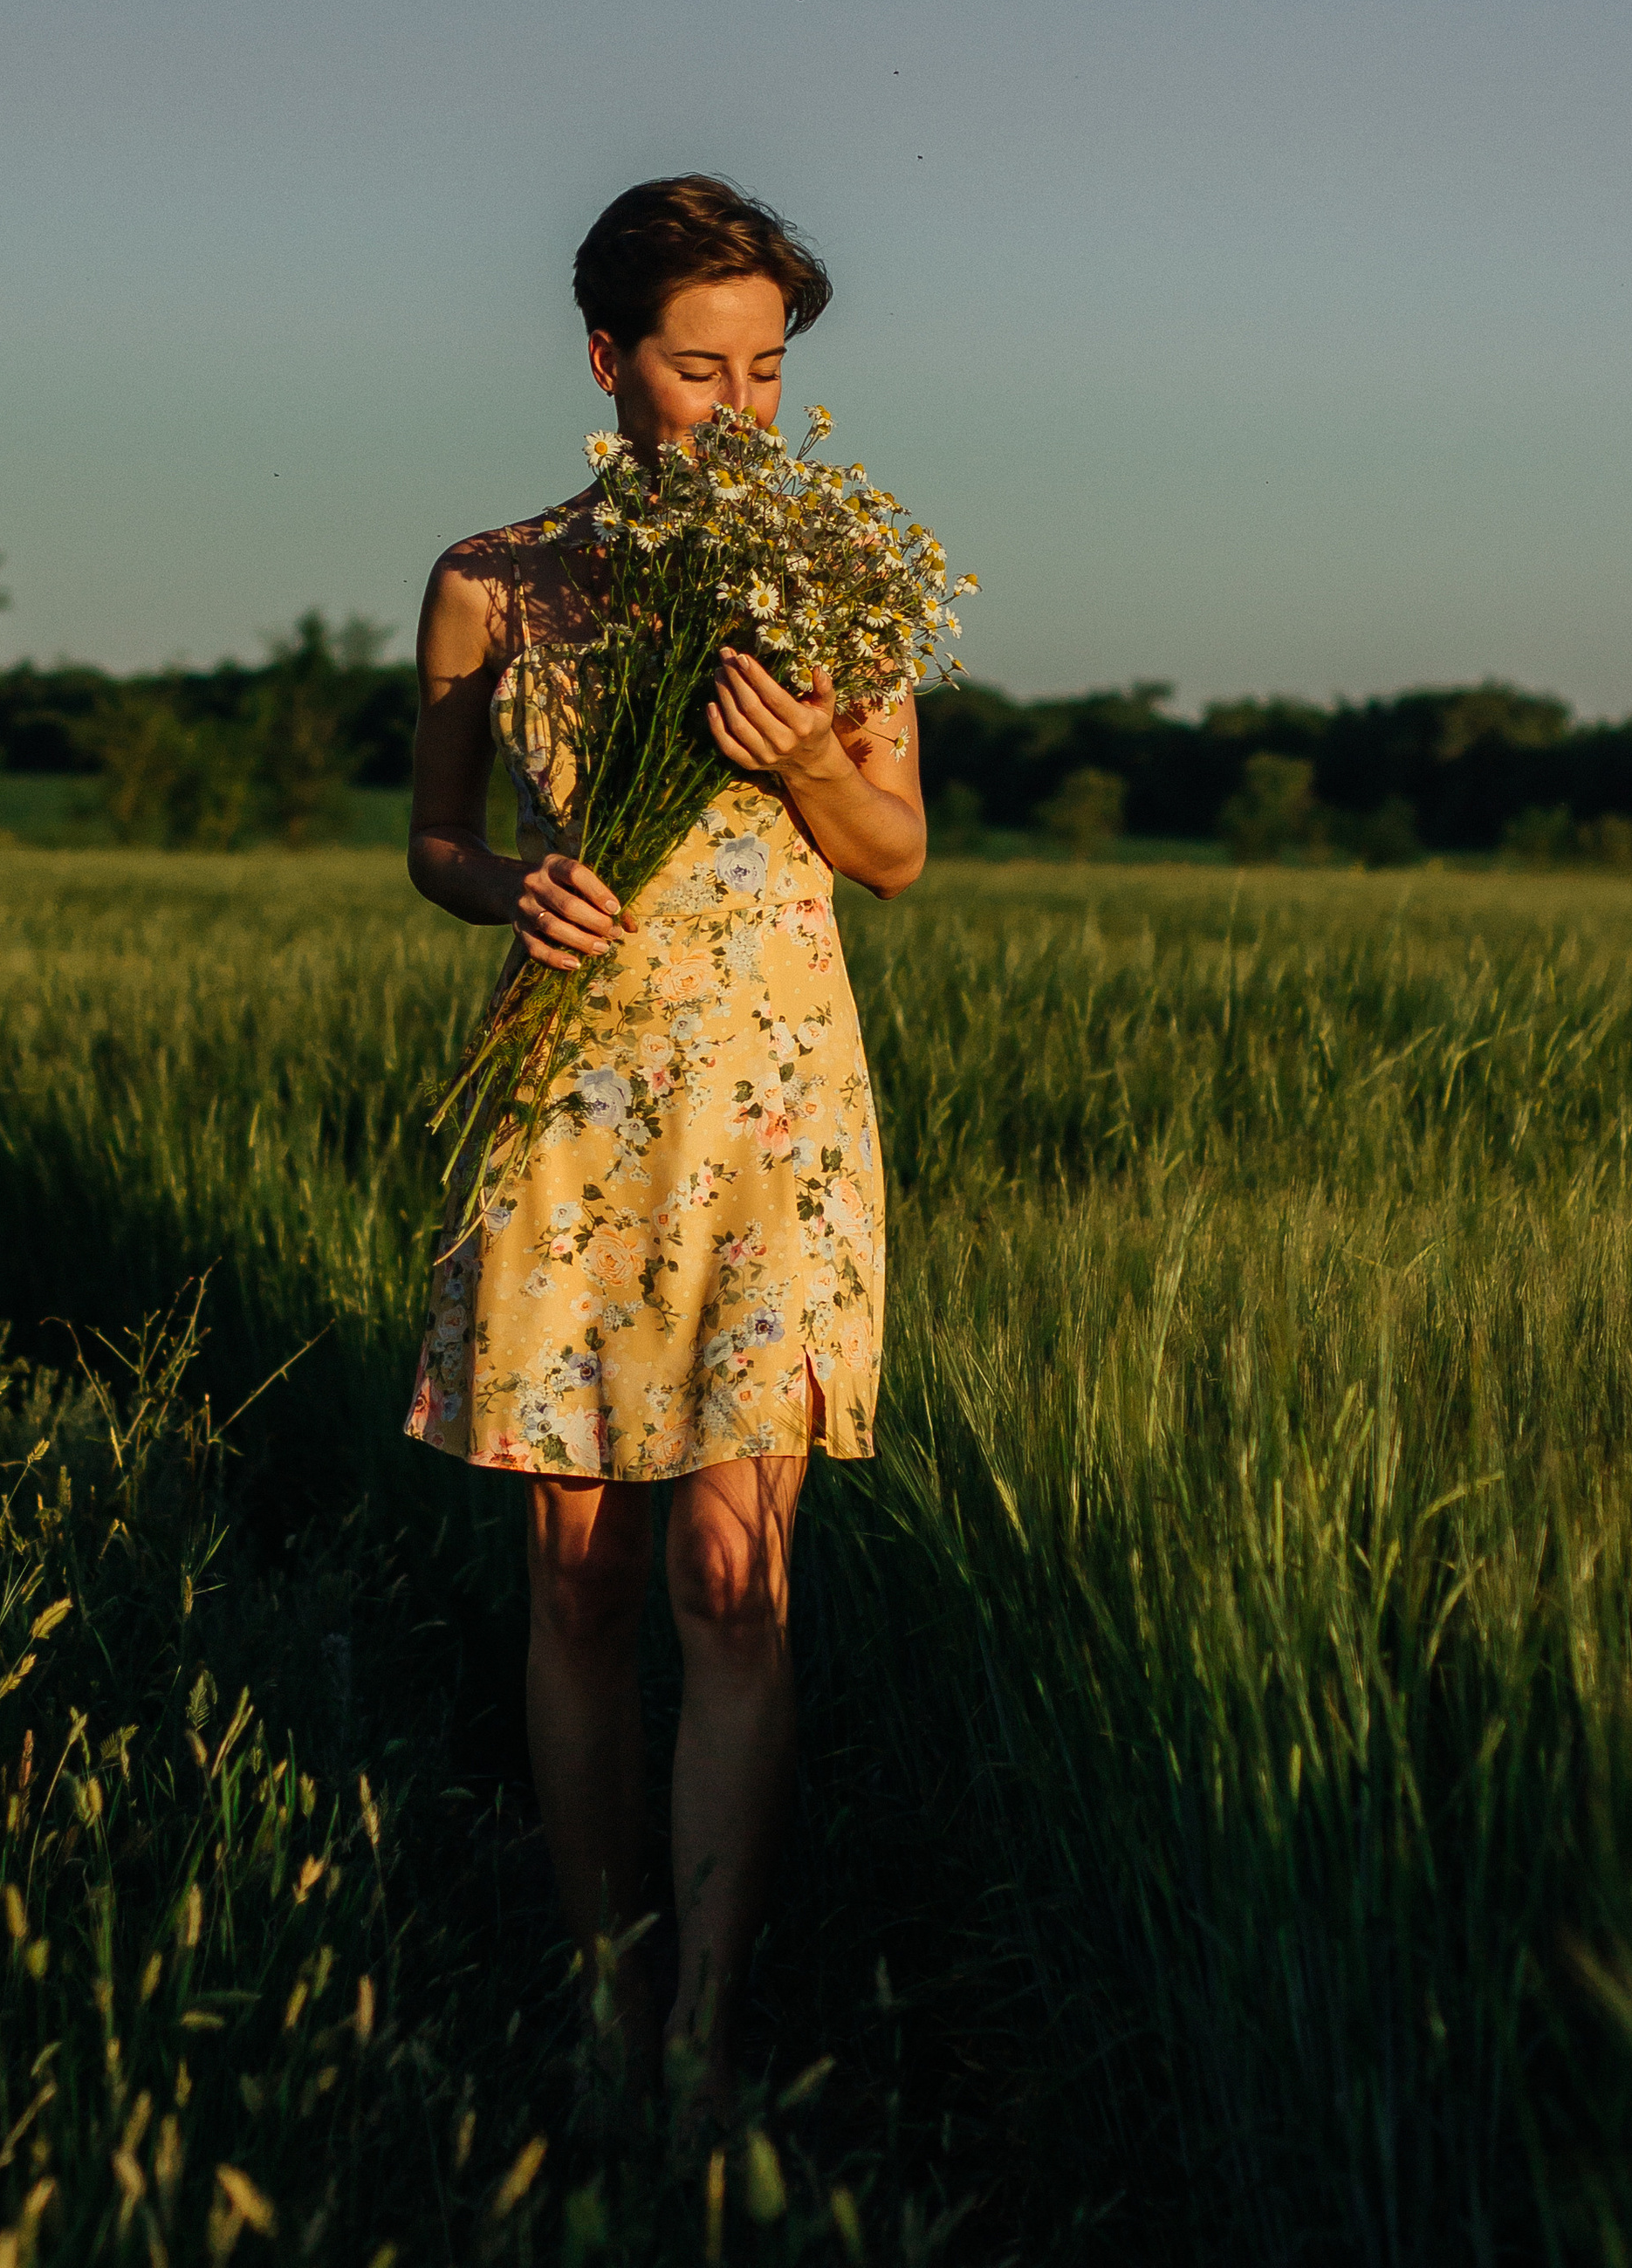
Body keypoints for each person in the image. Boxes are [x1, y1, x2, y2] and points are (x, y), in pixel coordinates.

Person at [401, 174, 925, 2100]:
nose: (740, 406)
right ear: (606, 359)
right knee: (580, 1584)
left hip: (773, 1119)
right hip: (569, 1107)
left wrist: (804, 761)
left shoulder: (836, 576)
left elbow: (895, 853)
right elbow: (435, 841)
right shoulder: (492, 579)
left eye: (767, 368)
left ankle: (702, 2043)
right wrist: (508, 886)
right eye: (702, 369)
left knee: (730, 1582)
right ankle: (606, 2007)